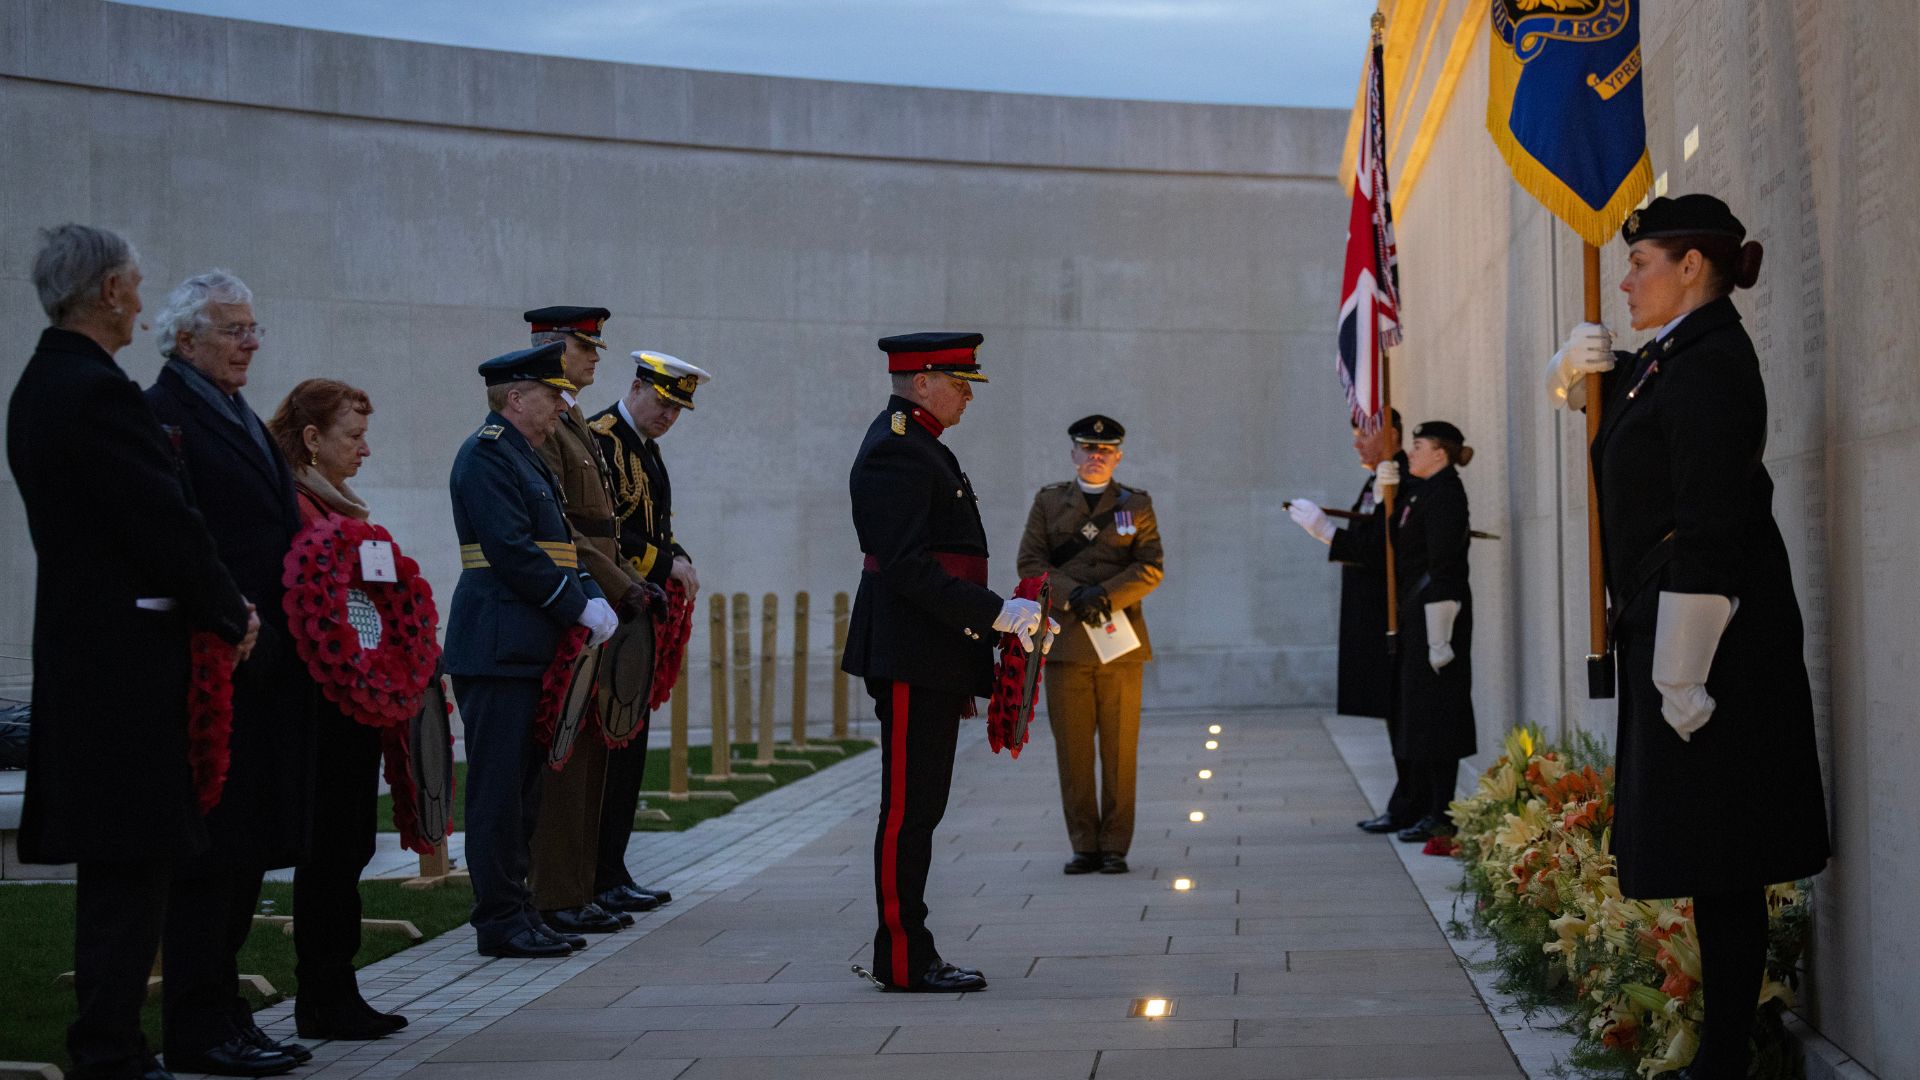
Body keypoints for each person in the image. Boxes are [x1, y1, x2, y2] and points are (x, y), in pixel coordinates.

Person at [1547, 194, 1829, 1080]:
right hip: (1677, 628)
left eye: (1642, 264)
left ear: (1692, 267)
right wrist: (1572, 376)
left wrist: (1682, 670)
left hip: (1713, 645)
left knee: (1727, 852)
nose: (1625, 280)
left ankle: (1723, 1055)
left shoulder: (1712, 365)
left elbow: (1708, 523)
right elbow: (1631, 424)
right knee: (1712, 847)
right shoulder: (1673, 359)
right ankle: (1720, 1046)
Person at [9, 225, 258, 1080]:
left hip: (89, 656)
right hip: (126, 666)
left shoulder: (43, 384)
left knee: (120, 867)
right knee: (132, 867)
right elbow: (163, 523)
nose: (143, 302)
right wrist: (230, 611)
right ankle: (110, 1051)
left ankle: (110, 1043)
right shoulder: (96, 391)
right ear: (112, 290)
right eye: (137, 286)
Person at [843, 331, 1054, 993]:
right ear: (923, 379)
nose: (968, 392)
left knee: (922, 808)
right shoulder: (897, 449)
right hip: (913, 652)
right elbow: (906, 566)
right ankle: (903, 957)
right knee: (908, 810)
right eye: (960, 381)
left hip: (931, 650)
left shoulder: (921, 444)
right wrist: (994, 613)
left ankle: (910, 949)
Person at [147, 270, 315, 1077]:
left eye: (254, 328)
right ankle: (197, 1024)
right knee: (211, 858)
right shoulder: (166, 416)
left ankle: (225, 1014)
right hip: (218, 660)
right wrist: (236, 618)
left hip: (264, 663)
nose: (251, 342)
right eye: (234, 329)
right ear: (185, 338)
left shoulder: (234, 409)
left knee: (244, 850)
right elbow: (184, 535)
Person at [444, 342, 619, 959]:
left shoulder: (528, 458)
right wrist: (576, 605)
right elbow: (513, 550)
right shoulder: (487, 455)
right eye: (551, 397)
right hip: (497, 644)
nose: (559, 410)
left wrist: (594, 593)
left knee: (523, 791)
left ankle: (521, 910)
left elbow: (564, 546)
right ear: (515, 398)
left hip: (527, 642)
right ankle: (498, 919)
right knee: (496, 792)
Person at [264, 379, 410, 1040]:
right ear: (313, 439)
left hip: (355, 700)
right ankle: (322, 995)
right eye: (353, 436)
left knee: (348, 844)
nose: (366, 450)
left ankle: (335, 988)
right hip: (323, 704)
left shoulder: (337, 506)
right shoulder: (297, 506)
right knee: (330, 847)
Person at [519, 306, 639, 937]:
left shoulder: (571, 421)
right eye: (583, 347)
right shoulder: (545, 424)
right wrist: (617, 586)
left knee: (590, 751)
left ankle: (582, 884)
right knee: (564, 755)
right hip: (574, 597)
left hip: (596, 593)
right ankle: (556, 891)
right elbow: (563, 531)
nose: (596, 358)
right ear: (550, 348)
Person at [587, 348, 711, 913]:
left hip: (640, 614)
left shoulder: (647, 449)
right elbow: (603, 533)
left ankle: (612, 868)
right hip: (612, 607)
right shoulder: (602, 437)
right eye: (663, 403)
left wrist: (678, 557)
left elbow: (656, 527)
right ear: (637, 387)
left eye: (677, 410)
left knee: (630, 745)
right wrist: (664, 565)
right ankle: (595, 873)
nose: (668, 416)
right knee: (609, 747)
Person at [1015, 414, 1163, 875]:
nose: (1096, 456)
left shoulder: (1136, 504)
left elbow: (1151, 564)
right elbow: (1030, 562)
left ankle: (1116, 845)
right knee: (1074, 751)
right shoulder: (1049, 502)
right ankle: (1084, 844)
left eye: (1105, 450)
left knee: (1120, 751)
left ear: (1118, 456)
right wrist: (1071, 595)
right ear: (1074, 453)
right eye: (1087, 448)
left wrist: (1104, 594)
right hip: (1067, 642)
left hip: (1120, 643)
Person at [1288, 410, 1423, 833]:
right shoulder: (1379, 477)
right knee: (1393, 714)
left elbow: (1384, 547)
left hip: (1396, 613)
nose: (1356, 443)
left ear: (1393, 435)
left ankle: (1415, 805)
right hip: (1375, 612)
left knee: (1406, 716)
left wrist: (1329, 533)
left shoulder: (1398, 477)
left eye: (1366, 433)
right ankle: (1406, 802)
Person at [1384, 420, 1475, 845]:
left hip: (1439, 617)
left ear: (1439, 452)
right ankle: (1426, 808)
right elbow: (1399, 545)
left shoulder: (1446, 494)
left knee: (1440, 715)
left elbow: (1444, 566)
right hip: (1419, 616)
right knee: (1421, 714)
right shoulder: (1421, 491)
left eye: (1418, 446)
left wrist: (1440, 633)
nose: (1411, 453)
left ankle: (1441, 813)